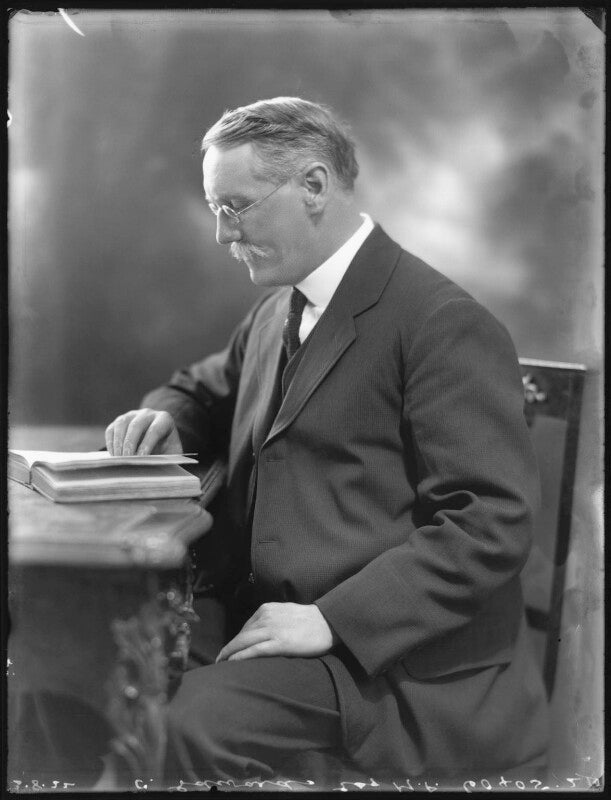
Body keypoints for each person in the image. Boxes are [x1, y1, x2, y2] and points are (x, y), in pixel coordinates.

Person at [105, 97, 549, 786]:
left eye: (236, 207)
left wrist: (333, 621)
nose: (222, 234)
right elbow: (200, 389)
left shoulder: (442, 322)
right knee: (100, 674)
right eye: (216, 208)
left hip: (395, 669)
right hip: (274, 623)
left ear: (313, 186)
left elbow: (492, 521)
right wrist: (165, 417)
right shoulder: (277, 310)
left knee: (174, 725)